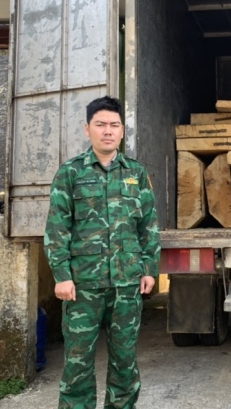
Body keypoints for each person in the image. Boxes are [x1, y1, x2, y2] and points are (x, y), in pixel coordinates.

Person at [44, 96, 160, 409]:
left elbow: (148, 226)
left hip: (126, 284)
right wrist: (62, 275)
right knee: (78, 363)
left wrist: (149, 269)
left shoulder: (135, 173)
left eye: (114, 125)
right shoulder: (70, 173)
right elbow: (57, 228)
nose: (107, 131)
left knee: (125, 362)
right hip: (83, 287)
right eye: (100, 125)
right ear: (88, 129)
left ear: (122, 131)